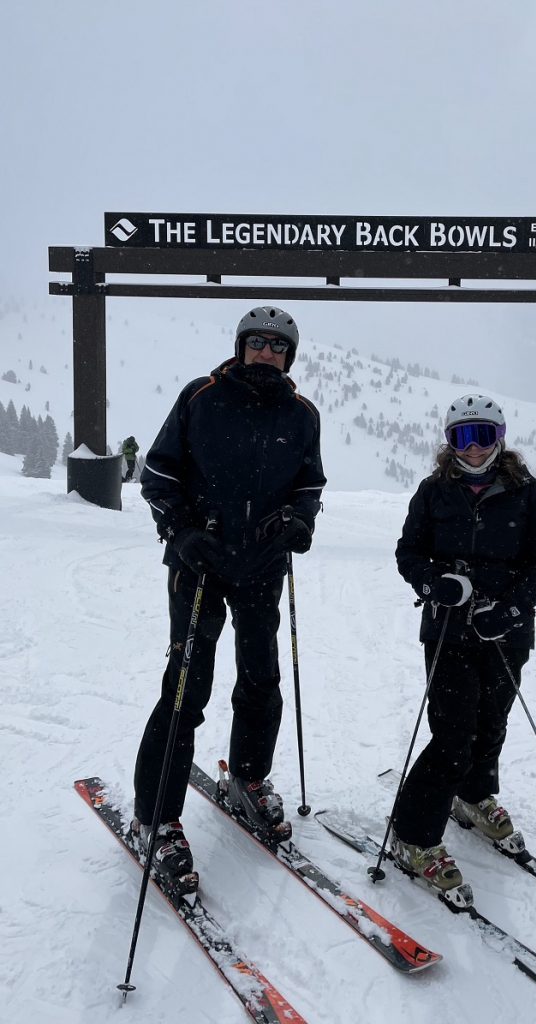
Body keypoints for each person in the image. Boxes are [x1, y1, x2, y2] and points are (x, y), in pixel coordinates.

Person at [132, 306, 326, 887]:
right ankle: (157, 818)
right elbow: (159, 476)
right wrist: (184, 532)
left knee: (263, 676)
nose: (266, 352)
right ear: (241, 346)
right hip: (201, 563)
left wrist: (299, 523)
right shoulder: (202, 397)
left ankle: (248, 775)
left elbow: (309, 484)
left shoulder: (301, 413)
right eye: (257, 342)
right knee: (187, 685)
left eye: (278, 346)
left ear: (289, 355)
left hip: (263, 565)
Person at [389, 393, 536, 896]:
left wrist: (509, 609)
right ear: (449, 443)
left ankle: (474, 794)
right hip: (448, 629)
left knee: (492, 720)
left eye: (482, 436)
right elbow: (408, 553)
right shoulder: (433, 491)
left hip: (505, 629)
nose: (473, 449)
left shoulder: (525, 492)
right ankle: (414, 833)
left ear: (499, 438)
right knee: (452, 733)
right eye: (462, 438)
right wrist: (434, 583)